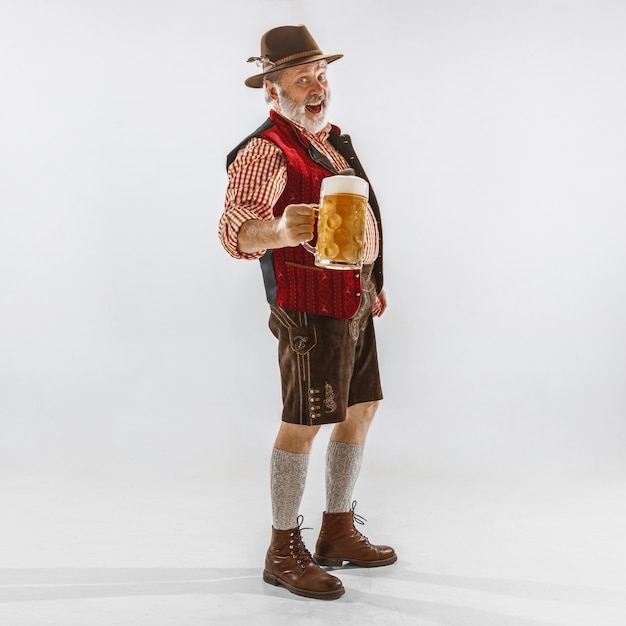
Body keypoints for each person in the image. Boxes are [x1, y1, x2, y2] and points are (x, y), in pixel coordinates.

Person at [218, 24, 396, 601]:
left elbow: (368, 215)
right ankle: (281, 549)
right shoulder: (265, 149)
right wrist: (276, 228)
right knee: (305, 420)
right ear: (272, 88)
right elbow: (234, 230)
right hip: (307, 304)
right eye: (302, 76)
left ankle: (337, 530)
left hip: (353, 299)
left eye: (321, 73)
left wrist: (375, 282)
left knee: (361, 408)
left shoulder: (332, 141)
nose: (317, 84)